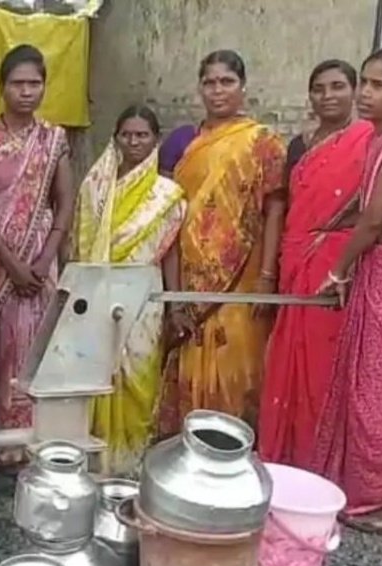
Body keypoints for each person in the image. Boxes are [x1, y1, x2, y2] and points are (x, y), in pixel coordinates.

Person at [156, 50, 287, 436]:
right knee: (192, 359)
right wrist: (174, 296)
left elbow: (274, 210)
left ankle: (235, 448)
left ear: (243, 87)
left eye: (227, 81)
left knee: (239, 365)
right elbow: (171, 217)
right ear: (199, 88)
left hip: (244, 277)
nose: (218, 90)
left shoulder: (262, 141)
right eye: (210, 82)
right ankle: (192, 449)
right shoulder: (185, 144)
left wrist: (267, 277)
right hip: (190, 276)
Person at [0, 44, 74, 473]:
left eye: (34, 83)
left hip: (40, 260)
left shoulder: (54, 139)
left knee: (31, 352)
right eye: (17, 83)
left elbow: (64, 202)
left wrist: (45, 259)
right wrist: (11, 264)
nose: (26, 91)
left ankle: (25, 451)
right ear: (2, 87)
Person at [259, 60, 371, 468]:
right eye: (319, 88)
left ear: (354, 91)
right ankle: (284, 455)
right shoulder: (299, 145)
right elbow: (286, 207)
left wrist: (340, 248)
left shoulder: (369, 140)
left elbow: (372, 208)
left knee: (325, 362)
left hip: (337, 264)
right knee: (288, 356)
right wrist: (270, 271)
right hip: (296, 259)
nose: (328, 96)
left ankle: (322, 458)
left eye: (338, 86)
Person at [73, 105, 186, 475]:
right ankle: (98, 462)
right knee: (98, 374)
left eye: (142, 135)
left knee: (139, 375)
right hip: (98, 291)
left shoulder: (166, 194)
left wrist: (175, 303)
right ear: (116, 138)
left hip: (144, 295)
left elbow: (170, 252)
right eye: (127, 134)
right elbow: (80, 244)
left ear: (156, 140)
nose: (134, 142)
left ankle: (131, 463)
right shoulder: (96, 187)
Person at [312, 48, 382, 532]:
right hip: (375, 267)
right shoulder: (378, 139)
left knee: (374, 388)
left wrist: (338, 269)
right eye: (365, 82)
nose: (365, 93)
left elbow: (376, 218)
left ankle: (378, 498)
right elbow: (366, 203)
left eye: (379, 85)